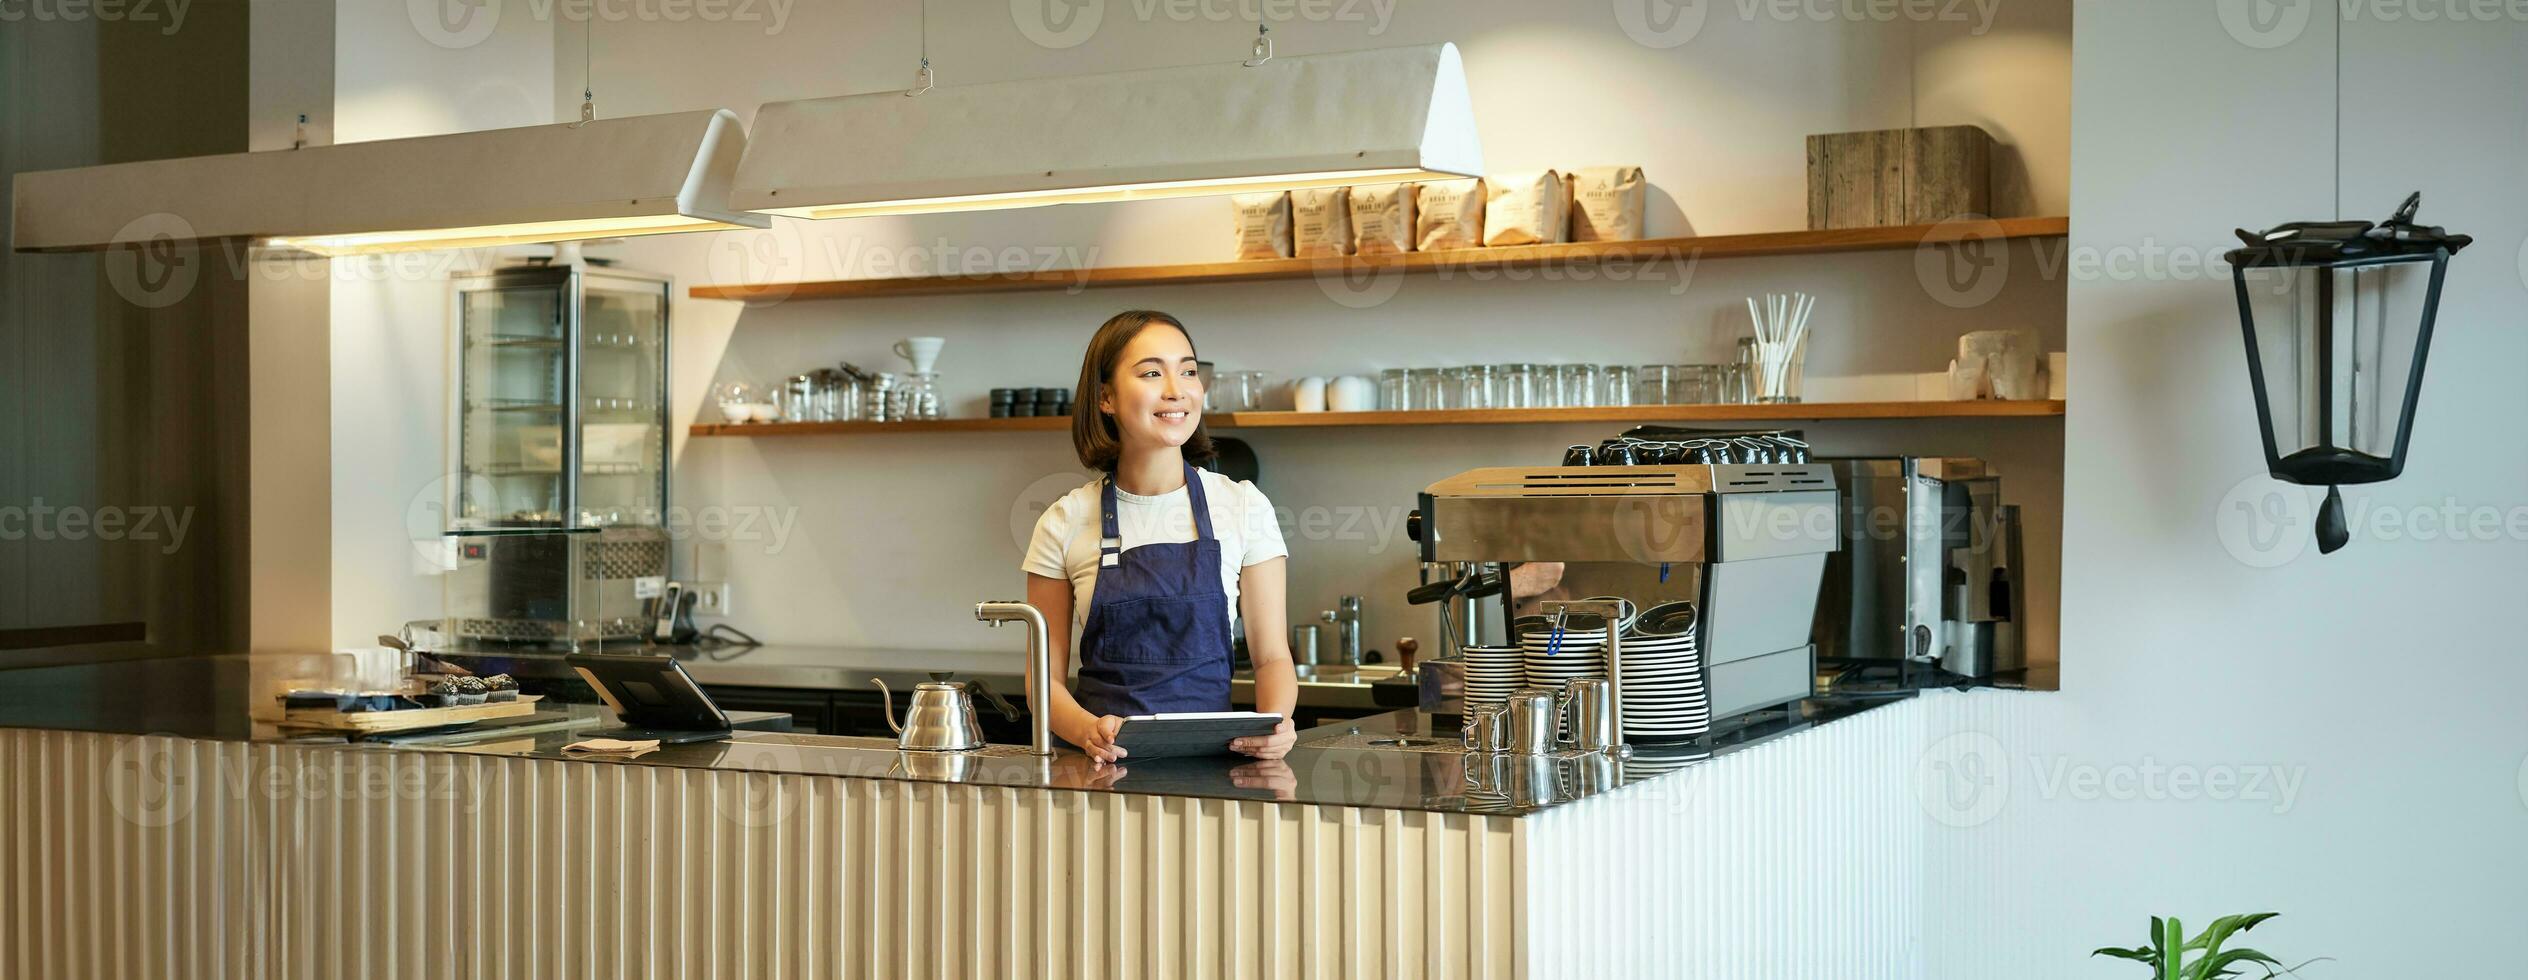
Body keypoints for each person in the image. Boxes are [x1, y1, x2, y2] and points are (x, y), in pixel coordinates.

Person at [1021, 310, 1299, 764]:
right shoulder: (1064, 520)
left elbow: (1272, 658)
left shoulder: (1245, 507)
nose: (1177, 389)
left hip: (1216, 771)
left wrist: (1275, 724)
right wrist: (1087, 730)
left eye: (1188, 371)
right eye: (1152, 372)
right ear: (1106, 397)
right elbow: (1042, 683)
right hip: (1100, 770)